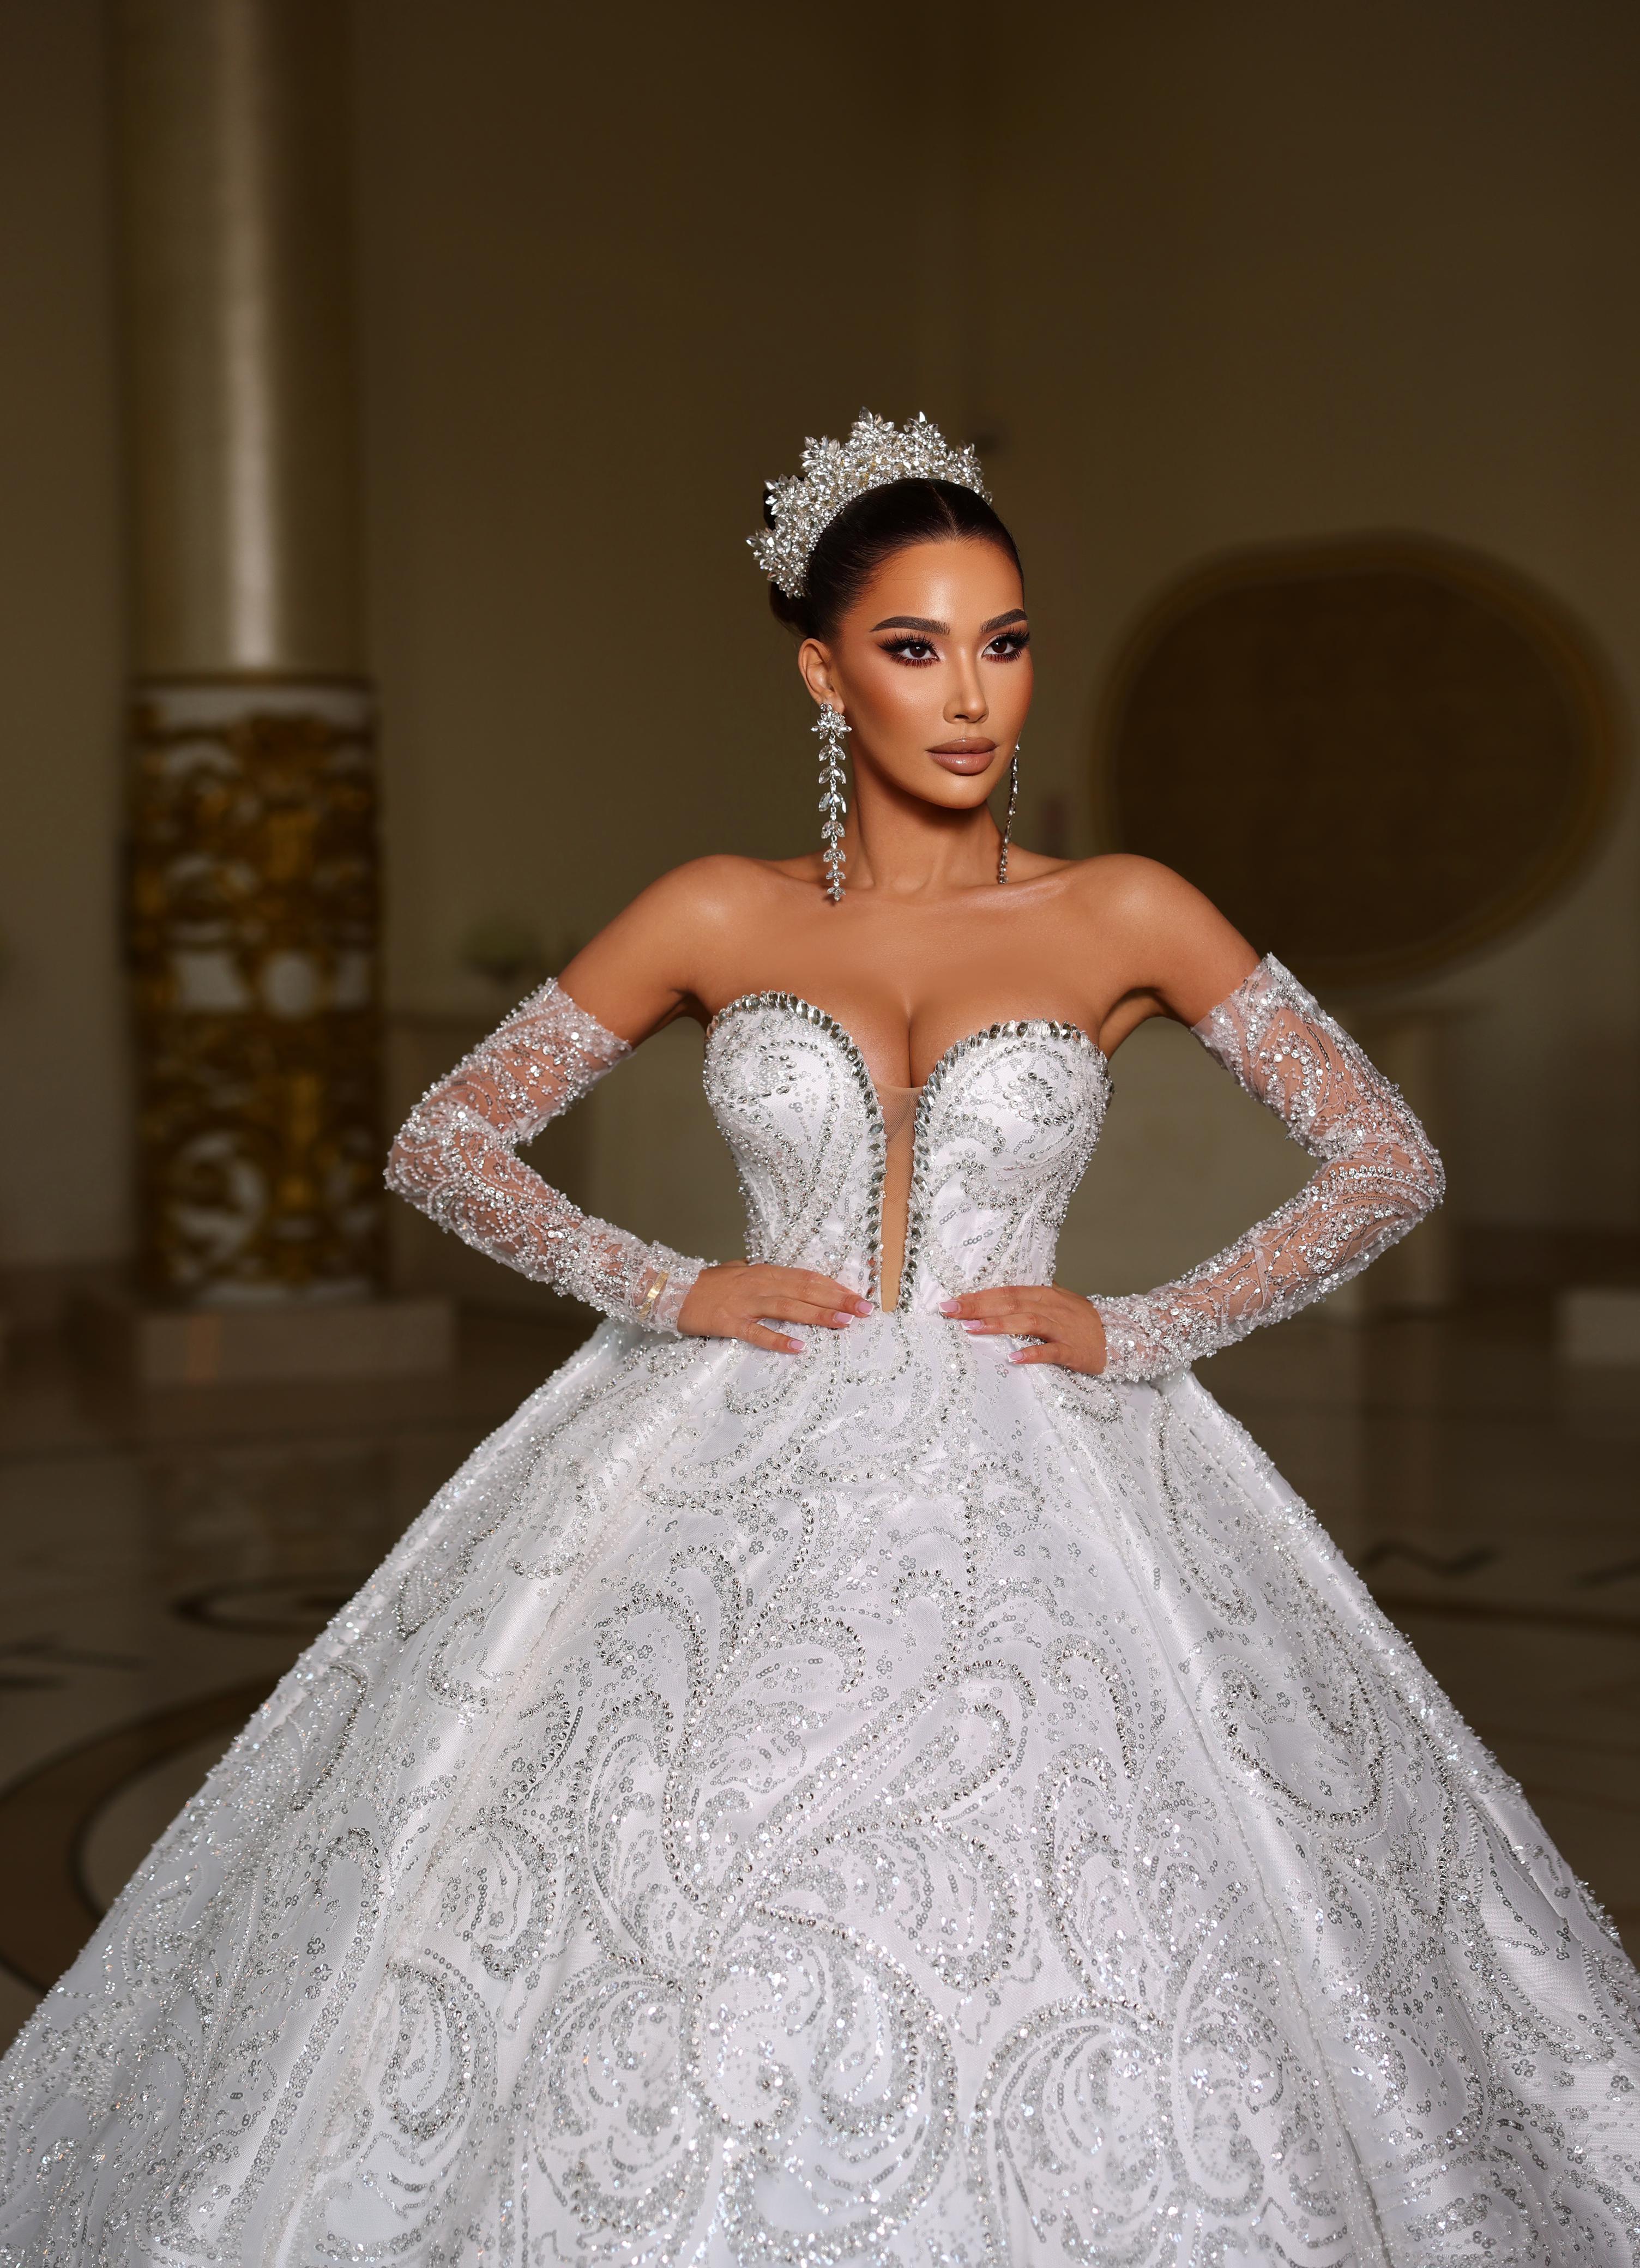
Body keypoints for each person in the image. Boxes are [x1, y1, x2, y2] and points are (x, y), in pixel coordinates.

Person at [2, 411, 1636, 2266]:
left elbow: (1383, 1153)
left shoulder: (1126, 910)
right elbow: (442, 1133)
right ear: (821, 666)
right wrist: (668, 1285)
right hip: (728, 1445)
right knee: (680, 1894)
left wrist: (1149, 1325)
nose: (972, 699)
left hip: (1043, 1458)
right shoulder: (717, 908)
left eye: (1005, 644)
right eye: (916, 647)